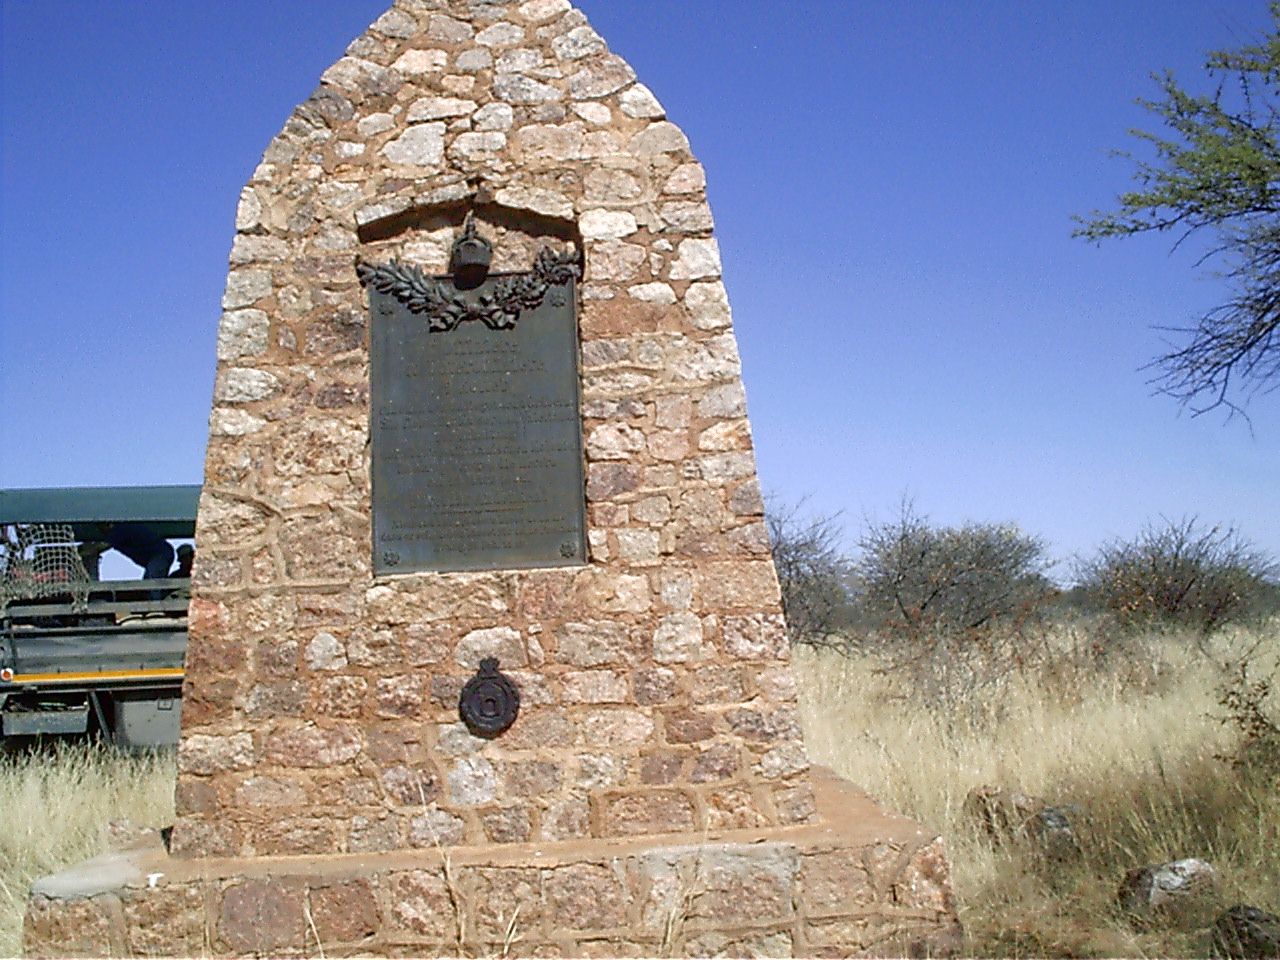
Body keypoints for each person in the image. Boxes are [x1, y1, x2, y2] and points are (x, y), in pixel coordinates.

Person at [99, 523, 174, 600]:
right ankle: (152, 604)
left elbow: (102, 545)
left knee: (152, 583)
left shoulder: (118, 530)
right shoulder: (122, 528)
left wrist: (88, 551)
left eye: (102, 526)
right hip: (158, 554)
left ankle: (155, 607)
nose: (101, 530)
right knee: (148, 583)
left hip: (160, 553)